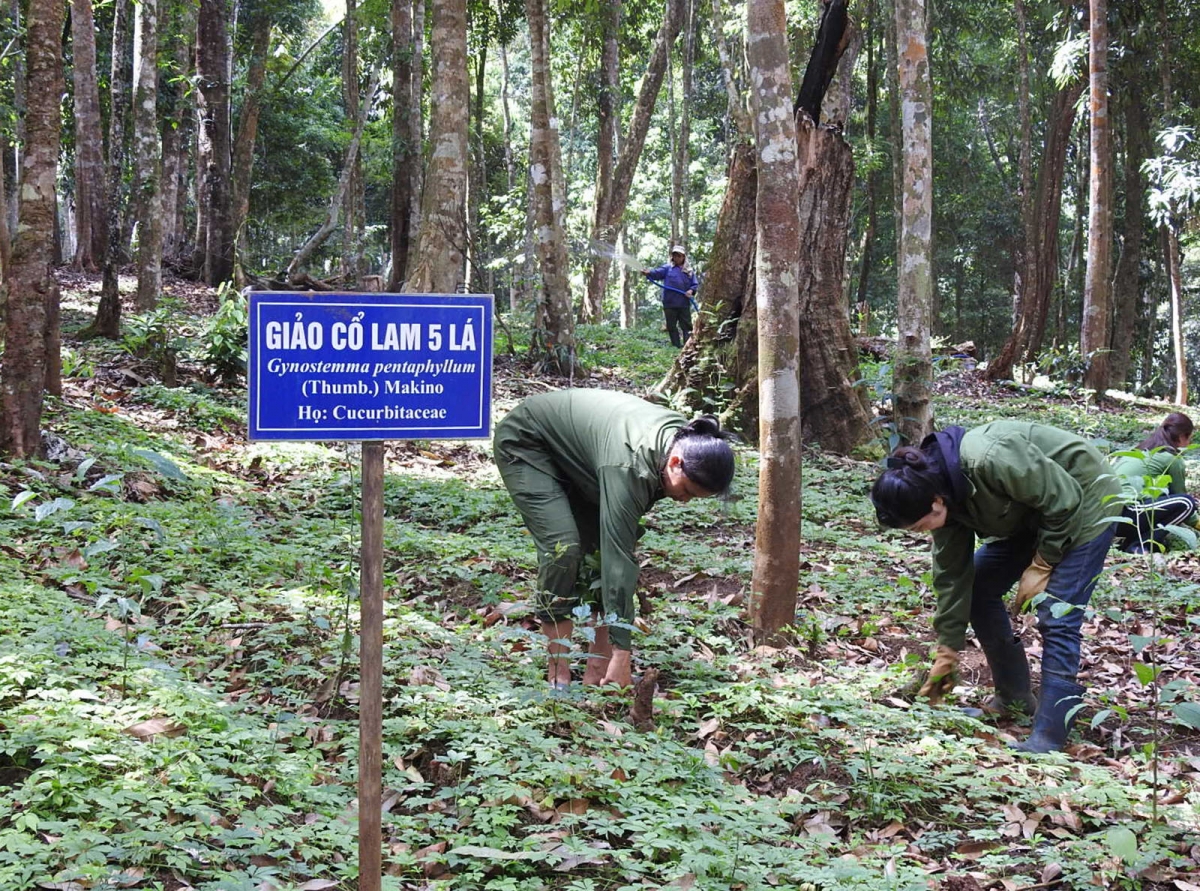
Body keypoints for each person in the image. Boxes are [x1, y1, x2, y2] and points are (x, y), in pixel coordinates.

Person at [870, 421, 1122, 754]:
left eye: (920, 526)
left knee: (1057, 616)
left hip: (1085, 502)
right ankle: (1015, 697)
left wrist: (1043, 563)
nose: (921, 532)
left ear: (935, 501)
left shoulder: (987, 457)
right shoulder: (942, 495)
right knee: (977, 588)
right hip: (1035, 515)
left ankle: (1049, 736)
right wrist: (948, 651)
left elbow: (1064, 500)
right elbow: (952, 577)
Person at [494, 388, 735, 689]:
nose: (684, 500)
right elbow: (618, 558)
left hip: (585, 459)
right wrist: (624, 651)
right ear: (675, 462)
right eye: (685, 490)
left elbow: (611, 550)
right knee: (564, 549)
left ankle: (597, 670)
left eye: (694, 497)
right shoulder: (632, 464)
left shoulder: (682, 442)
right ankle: (559, 673)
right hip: (528, 441)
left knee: (596, 551)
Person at [1112, 412, 1197, 554]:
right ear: (1182, 437)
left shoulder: (1139, 450)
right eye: (1189, 439)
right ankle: (1141, 545)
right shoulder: (1172, 459)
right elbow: (1180, 496)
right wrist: (1197, 523)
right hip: (1128, 511)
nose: (1189, 444)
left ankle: (1129, 543)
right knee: (1187, 502)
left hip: (1108, 516)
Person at [642, 246, 699, 348]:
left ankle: (687, 346)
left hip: (684, 303)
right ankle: (676, 346)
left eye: (679, 256)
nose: (677, 258)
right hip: (669, 303)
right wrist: (649, 272)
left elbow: (694, 284)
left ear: (683, 257)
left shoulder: (689, 271)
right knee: (671, 326)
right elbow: (656, 273)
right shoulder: (667, 268)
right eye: (675, 255)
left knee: (686, 326)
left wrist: (690, 290)